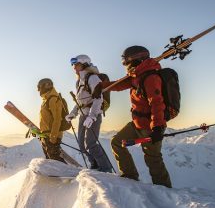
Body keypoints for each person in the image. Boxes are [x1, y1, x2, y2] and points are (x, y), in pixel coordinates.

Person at [102, 46, 172, 188]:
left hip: (151, 126)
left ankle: (165, 191)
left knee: (153, 158)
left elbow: (157, 103)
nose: (125, 66)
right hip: (137, 123)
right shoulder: (137, 76)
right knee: (117, 142)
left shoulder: (150, 77)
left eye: (126, 62)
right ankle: (130, 177)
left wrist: (157, 127)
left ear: (135, 60)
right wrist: (102, 86)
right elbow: (120, 84)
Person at [65, 55, 113, 172]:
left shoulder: (93, 78)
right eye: (73, 65)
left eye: (76, 64)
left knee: (91, 143)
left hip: (93, 115)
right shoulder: (79, 82)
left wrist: (92, 116)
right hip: (83, 115)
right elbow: (80, 102)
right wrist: (72, 114)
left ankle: (106, 169)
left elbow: (98, 99)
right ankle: (94, 166)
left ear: (84, 64)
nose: (74, 67)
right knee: (81, 145)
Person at [36, 78, 66, 163]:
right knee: (50, 161)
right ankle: (55, 175)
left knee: (55, 160)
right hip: (46, 135)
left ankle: (68, 174)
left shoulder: (53, 99)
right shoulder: (46, 99)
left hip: (52, 135)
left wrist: (53, 137)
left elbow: (57, 119)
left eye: (39, 87)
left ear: (46, 86)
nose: (38, 90)